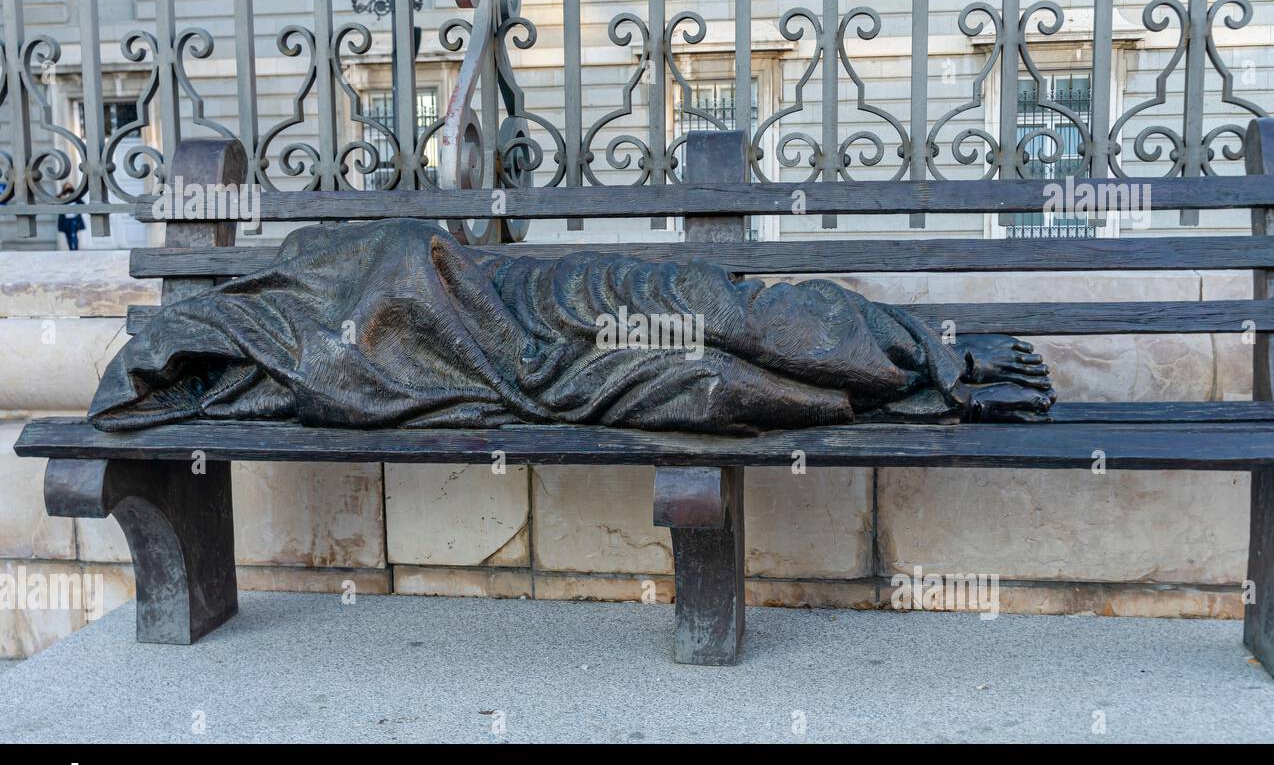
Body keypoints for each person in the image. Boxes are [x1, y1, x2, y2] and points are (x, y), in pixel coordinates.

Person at [87, 219, 1055, 432]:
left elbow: (411, 254)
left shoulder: (297, 268)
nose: (189, 372)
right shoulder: (272, 373)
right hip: (529, 364)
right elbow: (369, 375)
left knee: (714, 313)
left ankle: (928, 359)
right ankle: (896, 393)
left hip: (545, 297)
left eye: (184, 363)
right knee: (681, 381)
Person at [56, 184, 85, 251]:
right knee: (68, 235)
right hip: (65, 220)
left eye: (69, 187)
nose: (68, 189)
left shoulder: (75, 197)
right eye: (66, 187)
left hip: (74, 218)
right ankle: (71, 249)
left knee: (73, 234)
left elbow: (82, 204)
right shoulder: (61, 197)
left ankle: (75, 248)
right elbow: (55, 204)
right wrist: (61, 199)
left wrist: (75, 200)